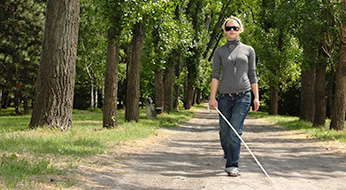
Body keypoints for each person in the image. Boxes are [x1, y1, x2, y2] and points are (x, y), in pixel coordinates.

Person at [209, 16, 260, 177]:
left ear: (240, 30)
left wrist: (256, 97)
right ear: (224, 31)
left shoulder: (249, 50)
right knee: (224, 132)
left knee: (235, 132)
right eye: (229, 28)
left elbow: (253, 74)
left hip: (243, 96)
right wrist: (212, 97)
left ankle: (232, 165)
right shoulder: (219, 51)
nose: (232, 30)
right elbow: (215, 75)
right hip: (224, 97)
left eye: (235, 28)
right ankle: (229, 151)